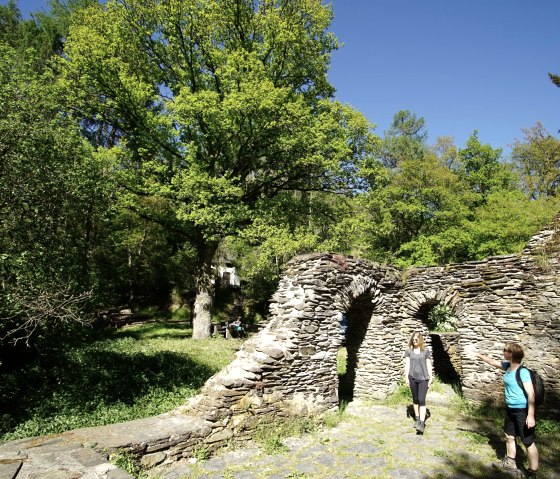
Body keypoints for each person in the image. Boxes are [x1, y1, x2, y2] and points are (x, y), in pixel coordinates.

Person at [475, 343, 539, 479]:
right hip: (510, 409)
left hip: (522, 410)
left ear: (511, 354)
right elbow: (492, 362)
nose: (503, 352)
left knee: (528, 442)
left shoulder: (523, 372)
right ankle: (510, 462)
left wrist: (531, 415)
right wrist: (479, 355)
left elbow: (531, 394)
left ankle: (532, 472)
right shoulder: (507, 366)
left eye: (505, 350)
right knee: (509, 436)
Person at [404, 331, 433, 434]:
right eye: (413, 339)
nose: (414, 341)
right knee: (415, 399)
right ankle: (417, 418)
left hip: (423, 378)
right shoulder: (409, 351)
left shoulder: (425, 351)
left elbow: (428, 364)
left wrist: (431, 377)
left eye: (416, 339)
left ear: (420, 340)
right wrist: (406, 377)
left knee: (421, 400)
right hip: (412, 378)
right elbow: (407, 365)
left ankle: (421, 423)